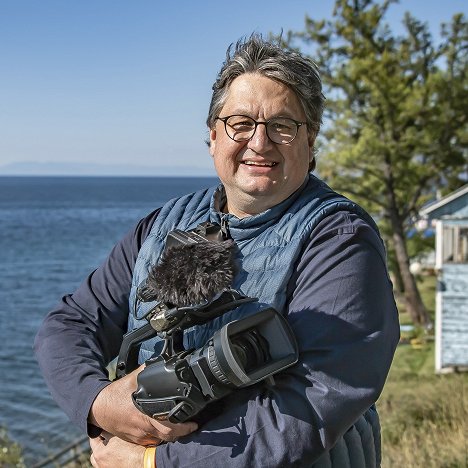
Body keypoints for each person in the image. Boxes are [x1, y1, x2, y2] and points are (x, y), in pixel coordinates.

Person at [34, 34, 400, 467]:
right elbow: (71, 323)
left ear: (310, 139)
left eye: (282, 125)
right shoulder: (163, 224)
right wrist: (97, 402)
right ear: (213, 136)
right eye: (240, 123)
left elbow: (315, 401)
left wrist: (154, 463)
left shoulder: (338, 238)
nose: (259, 143)